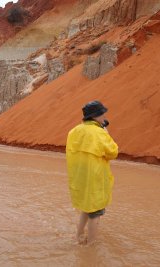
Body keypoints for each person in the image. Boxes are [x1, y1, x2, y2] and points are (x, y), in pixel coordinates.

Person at [66, 100, 118, 245]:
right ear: (96, 116)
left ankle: (78, 236)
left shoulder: (74, 131)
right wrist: (106, 133)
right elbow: (113, 152)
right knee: (95, 213)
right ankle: (91, 246)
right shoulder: (99, 133)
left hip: (80, 178)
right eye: (103, 114)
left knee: (86, 207)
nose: (104, 117)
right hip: (94, 179)